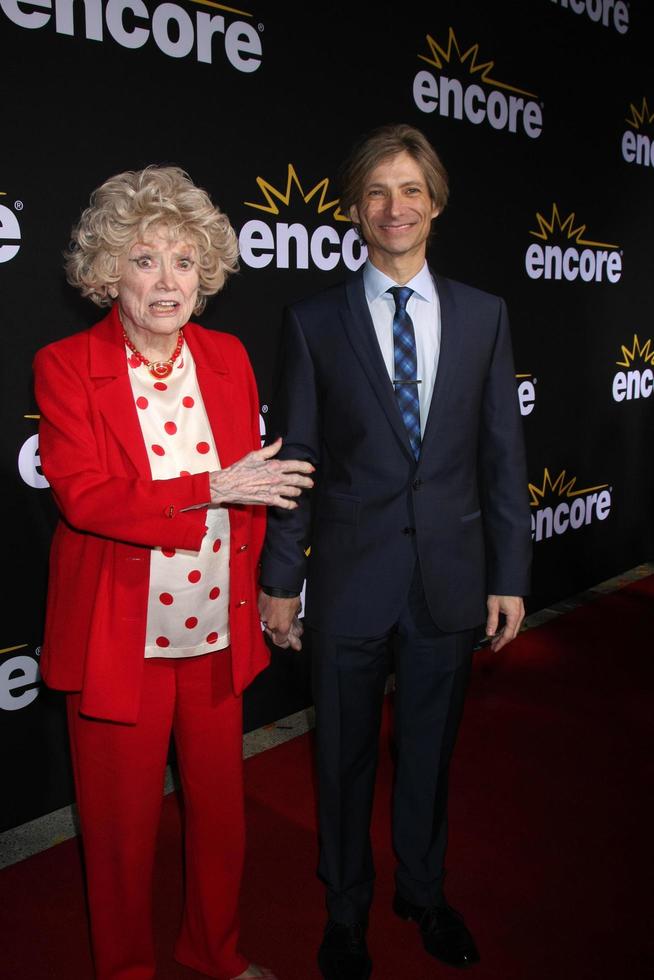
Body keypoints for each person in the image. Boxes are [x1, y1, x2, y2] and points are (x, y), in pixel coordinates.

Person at [258, 124, 532, 979]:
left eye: (411, 189)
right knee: (338, 759)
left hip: (449, 581)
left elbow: (501, 455)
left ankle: (423, 891)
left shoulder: (486, 316)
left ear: (436, 203)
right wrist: (281, 580)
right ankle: (345, 911)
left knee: (429, 751)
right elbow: (297, 458)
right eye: (378, 192)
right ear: (352, 211)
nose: (395, 207)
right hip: (346, 581)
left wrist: (510, 575)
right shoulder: (312, 322)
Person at [33, 165, 314, 980]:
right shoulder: (63, 366)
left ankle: (214, 951)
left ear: (207, 274)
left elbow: (256, 489)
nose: (167, 280)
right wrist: (212, 487)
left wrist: (271, 586)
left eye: (185, 260)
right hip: (121, 641)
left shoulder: (227, 357)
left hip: (215, 633)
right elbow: (88, 498)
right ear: (107, 271)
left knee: (223, 817)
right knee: (119, 835)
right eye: (144, 258)